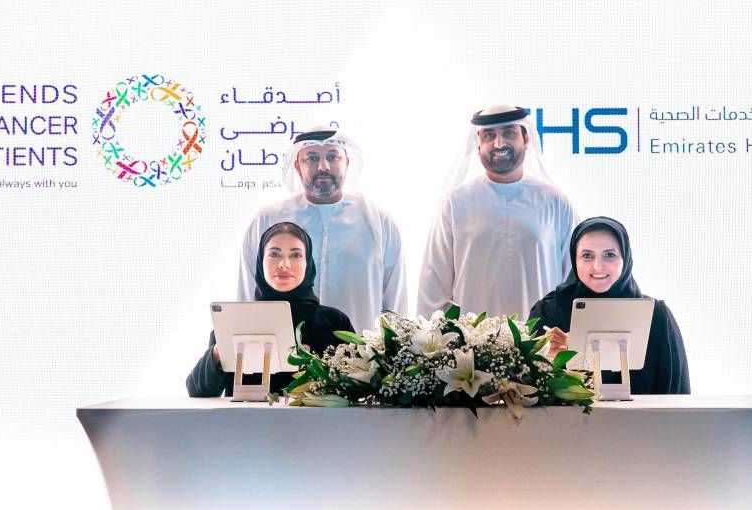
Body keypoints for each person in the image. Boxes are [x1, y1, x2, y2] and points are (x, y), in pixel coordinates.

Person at [237, 127, 407, 332]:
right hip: (285, 349)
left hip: (363, 350)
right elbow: (246, 297)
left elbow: (395, 302)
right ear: (297, 165)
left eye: (332, 157)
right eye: (312, 158)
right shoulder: (268, 219)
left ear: (347, 162)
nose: (323, 166)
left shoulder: (378, 221)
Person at [417, 105, 578, 318]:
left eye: (509, 133)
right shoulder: (455, 203)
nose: (499, 143)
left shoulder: (555, 202)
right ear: (478, 145)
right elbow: (433, 286)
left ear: (526, 139)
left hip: (541, 336)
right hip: (471, 339)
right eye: (489, 135)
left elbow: (574, 281)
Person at [189, 221, 354, 396]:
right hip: (245, 415)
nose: (284, 264)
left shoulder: (334, 322)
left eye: (296, 255)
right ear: (261, 261)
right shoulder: (236, 320)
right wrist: (220, 350)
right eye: (274, 254)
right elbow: (198, 391)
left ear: (308, 263)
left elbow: (360, 386)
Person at [529, 216, 690, 394]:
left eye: (609, 255)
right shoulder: (548, 313)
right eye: (587, 255)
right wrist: (545, 356)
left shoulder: (656, 315)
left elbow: (676, 394)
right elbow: (528, 391)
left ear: (625, 258)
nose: (598, 266)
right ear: (574, 259)